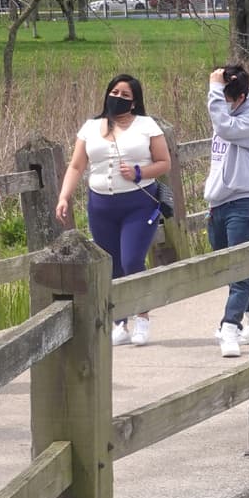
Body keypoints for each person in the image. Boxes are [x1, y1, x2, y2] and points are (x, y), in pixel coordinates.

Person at [54, 74, 171, 346]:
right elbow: (76, 166)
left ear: (134, 102)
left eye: (125, 95)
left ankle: (142, 317)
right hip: (101, 205)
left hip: (138, 204)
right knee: (111, 263)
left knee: (132, 260)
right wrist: (64, 196)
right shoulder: (91, 127)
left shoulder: (146, 125)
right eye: (114, 92)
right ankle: (120, 320)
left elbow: (164, 162)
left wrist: (140, 171)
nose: (117, 98)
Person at [205, 63, 249, 358]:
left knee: (240, 268)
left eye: (230, 98)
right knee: (226, 265)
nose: (226, 104)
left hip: (244, 199)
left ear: (241, 96)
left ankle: (230, 326)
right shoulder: (222, 107)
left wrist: (216, 92)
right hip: (218, 201)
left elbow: (225, 129)